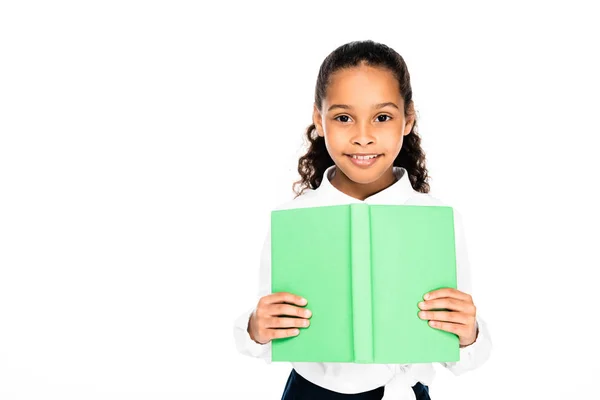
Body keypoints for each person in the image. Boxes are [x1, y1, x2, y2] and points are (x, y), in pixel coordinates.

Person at [233, 39, 492, 400]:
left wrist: (469, 333)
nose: (363, 137)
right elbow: (263, 333)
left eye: (382, 117)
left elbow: (464, 354)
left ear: (408, 120)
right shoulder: (296, 220)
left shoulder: (437, 220)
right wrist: (256, 327)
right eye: (343, 118)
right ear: (318, 121)